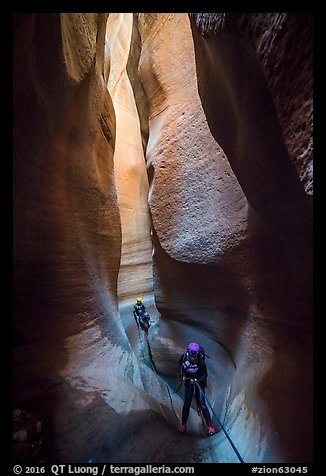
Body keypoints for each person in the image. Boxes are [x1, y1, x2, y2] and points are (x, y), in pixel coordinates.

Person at [178, 342, 216, 436]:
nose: (193, 357)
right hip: (188, 381)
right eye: (192, 354)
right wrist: (183, 377)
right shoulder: (184, 357)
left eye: (195, 355)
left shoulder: (200, 360)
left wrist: (197, 380)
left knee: (202, 403)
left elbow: (204, 374)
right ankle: (183, 425)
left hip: (199, 381)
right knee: (187, 403)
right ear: (189, 352)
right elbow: (180, 368)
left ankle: (210, 427)